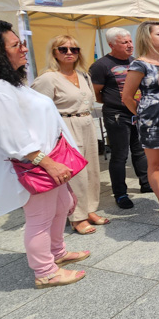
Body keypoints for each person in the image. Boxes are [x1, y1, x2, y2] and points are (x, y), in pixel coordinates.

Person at [0, 21, 89, 289]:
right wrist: (49, 164)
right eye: (16, 45)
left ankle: (57, 253)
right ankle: (45, 271)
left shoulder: (10, 85)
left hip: (48, 160)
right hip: (34, 166)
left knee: (62, 206)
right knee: (40, 218)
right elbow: (13, 140)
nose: (24, 49)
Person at [32, 35, 106, 235]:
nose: (69, 53)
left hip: (86, 123)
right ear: (54, 52)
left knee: (91, 170)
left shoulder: (83, 75)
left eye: (74, 49)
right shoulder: (48, 78)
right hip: (64, 126)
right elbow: (36, 110)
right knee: (75, 174)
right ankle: (76, 216)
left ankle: (90, 208)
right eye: (63, 49)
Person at [89, 27, 150, 209]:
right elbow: (95, 93)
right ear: (111, 45)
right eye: (124, 42)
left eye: (130, 41)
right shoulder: (101, 65)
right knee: (120, 155)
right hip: (116, 116)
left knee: (139, 151)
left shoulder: (135, 62)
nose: (130, 45)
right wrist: (114, 101)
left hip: (137, 114)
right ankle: (120, 193)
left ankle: (146, 183)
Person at [122, 21, 159, 218]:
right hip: (151, 121)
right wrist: (143, 114)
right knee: (155, 164)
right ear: (148, 37)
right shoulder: (139, 64)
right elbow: (127, 97)